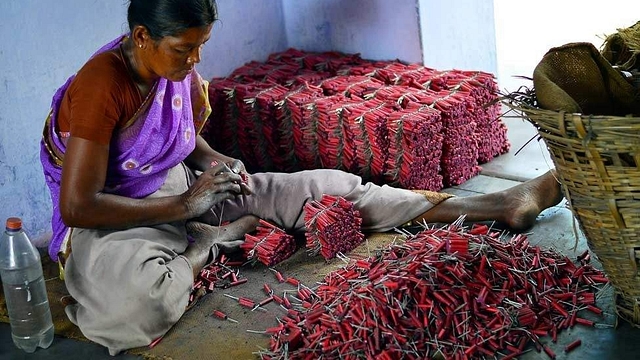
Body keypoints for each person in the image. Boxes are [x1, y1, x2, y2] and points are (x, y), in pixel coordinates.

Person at [40, 0, 563, 355]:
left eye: (201, 46)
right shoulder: (102, 84)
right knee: (135, 305)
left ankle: (499, 204)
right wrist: (187, 212)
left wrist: (217, 163)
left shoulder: (173, 69)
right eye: (184, 49)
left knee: (330, 187)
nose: (195, 59)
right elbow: (79, 206)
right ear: (141, 37)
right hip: (118, 221)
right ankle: (210, 246)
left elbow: (179, 140)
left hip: (186, 194)